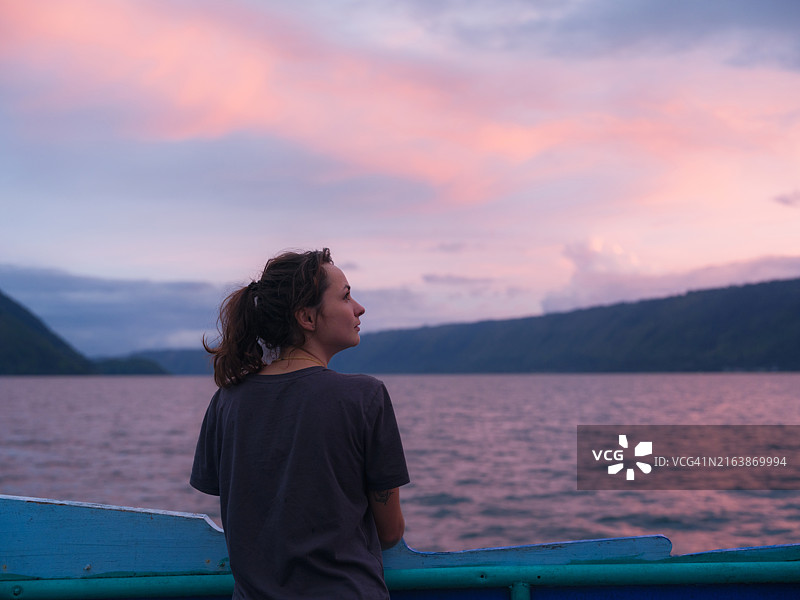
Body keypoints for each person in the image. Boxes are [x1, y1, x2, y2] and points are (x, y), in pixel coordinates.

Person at [190, 248, 409, 599]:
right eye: (346, 296)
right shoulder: (364, 397)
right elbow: (390, 532)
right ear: (307, 317)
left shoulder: (227, 401)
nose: (359, 308)